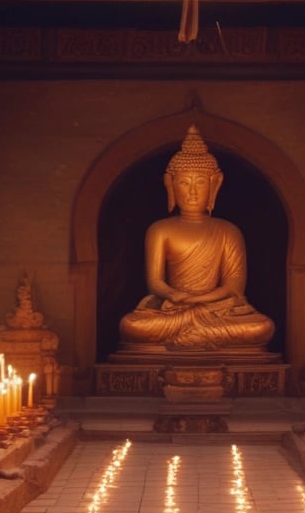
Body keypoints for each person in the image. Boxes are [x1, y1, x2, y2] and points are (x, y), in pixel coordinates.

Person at [118, 126, 275, 351]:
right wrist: (174, 295)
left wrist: (199, 301)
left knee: (261, 327)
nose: (192, 191)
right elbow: (155, 283)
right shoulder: (160, 230)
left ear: (214, 184)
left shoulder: (228, 231)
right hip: (174, 309)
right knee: (132, 325)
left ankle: (191, 333)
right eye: (184, 182)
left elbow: (234, 286)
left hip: (216, 310)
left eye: (200, 182)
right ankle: (199, 335)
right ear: (170, 184)